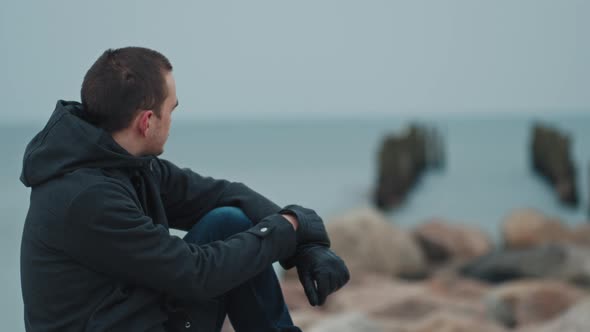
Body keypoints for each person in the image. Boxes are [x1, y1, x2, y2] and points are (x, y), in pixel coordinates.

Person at [20, 47, 350, 332]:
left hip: (137, 317)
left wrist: (304, 243)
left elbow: (222, 194)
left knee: (228, 221)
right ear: (146, 122)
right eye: (172, 109)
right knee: (229, 246)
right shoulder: (88, 198)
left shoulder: (125, 163)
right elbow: (196, 273)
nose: (172, 120)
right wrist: (288, 226)